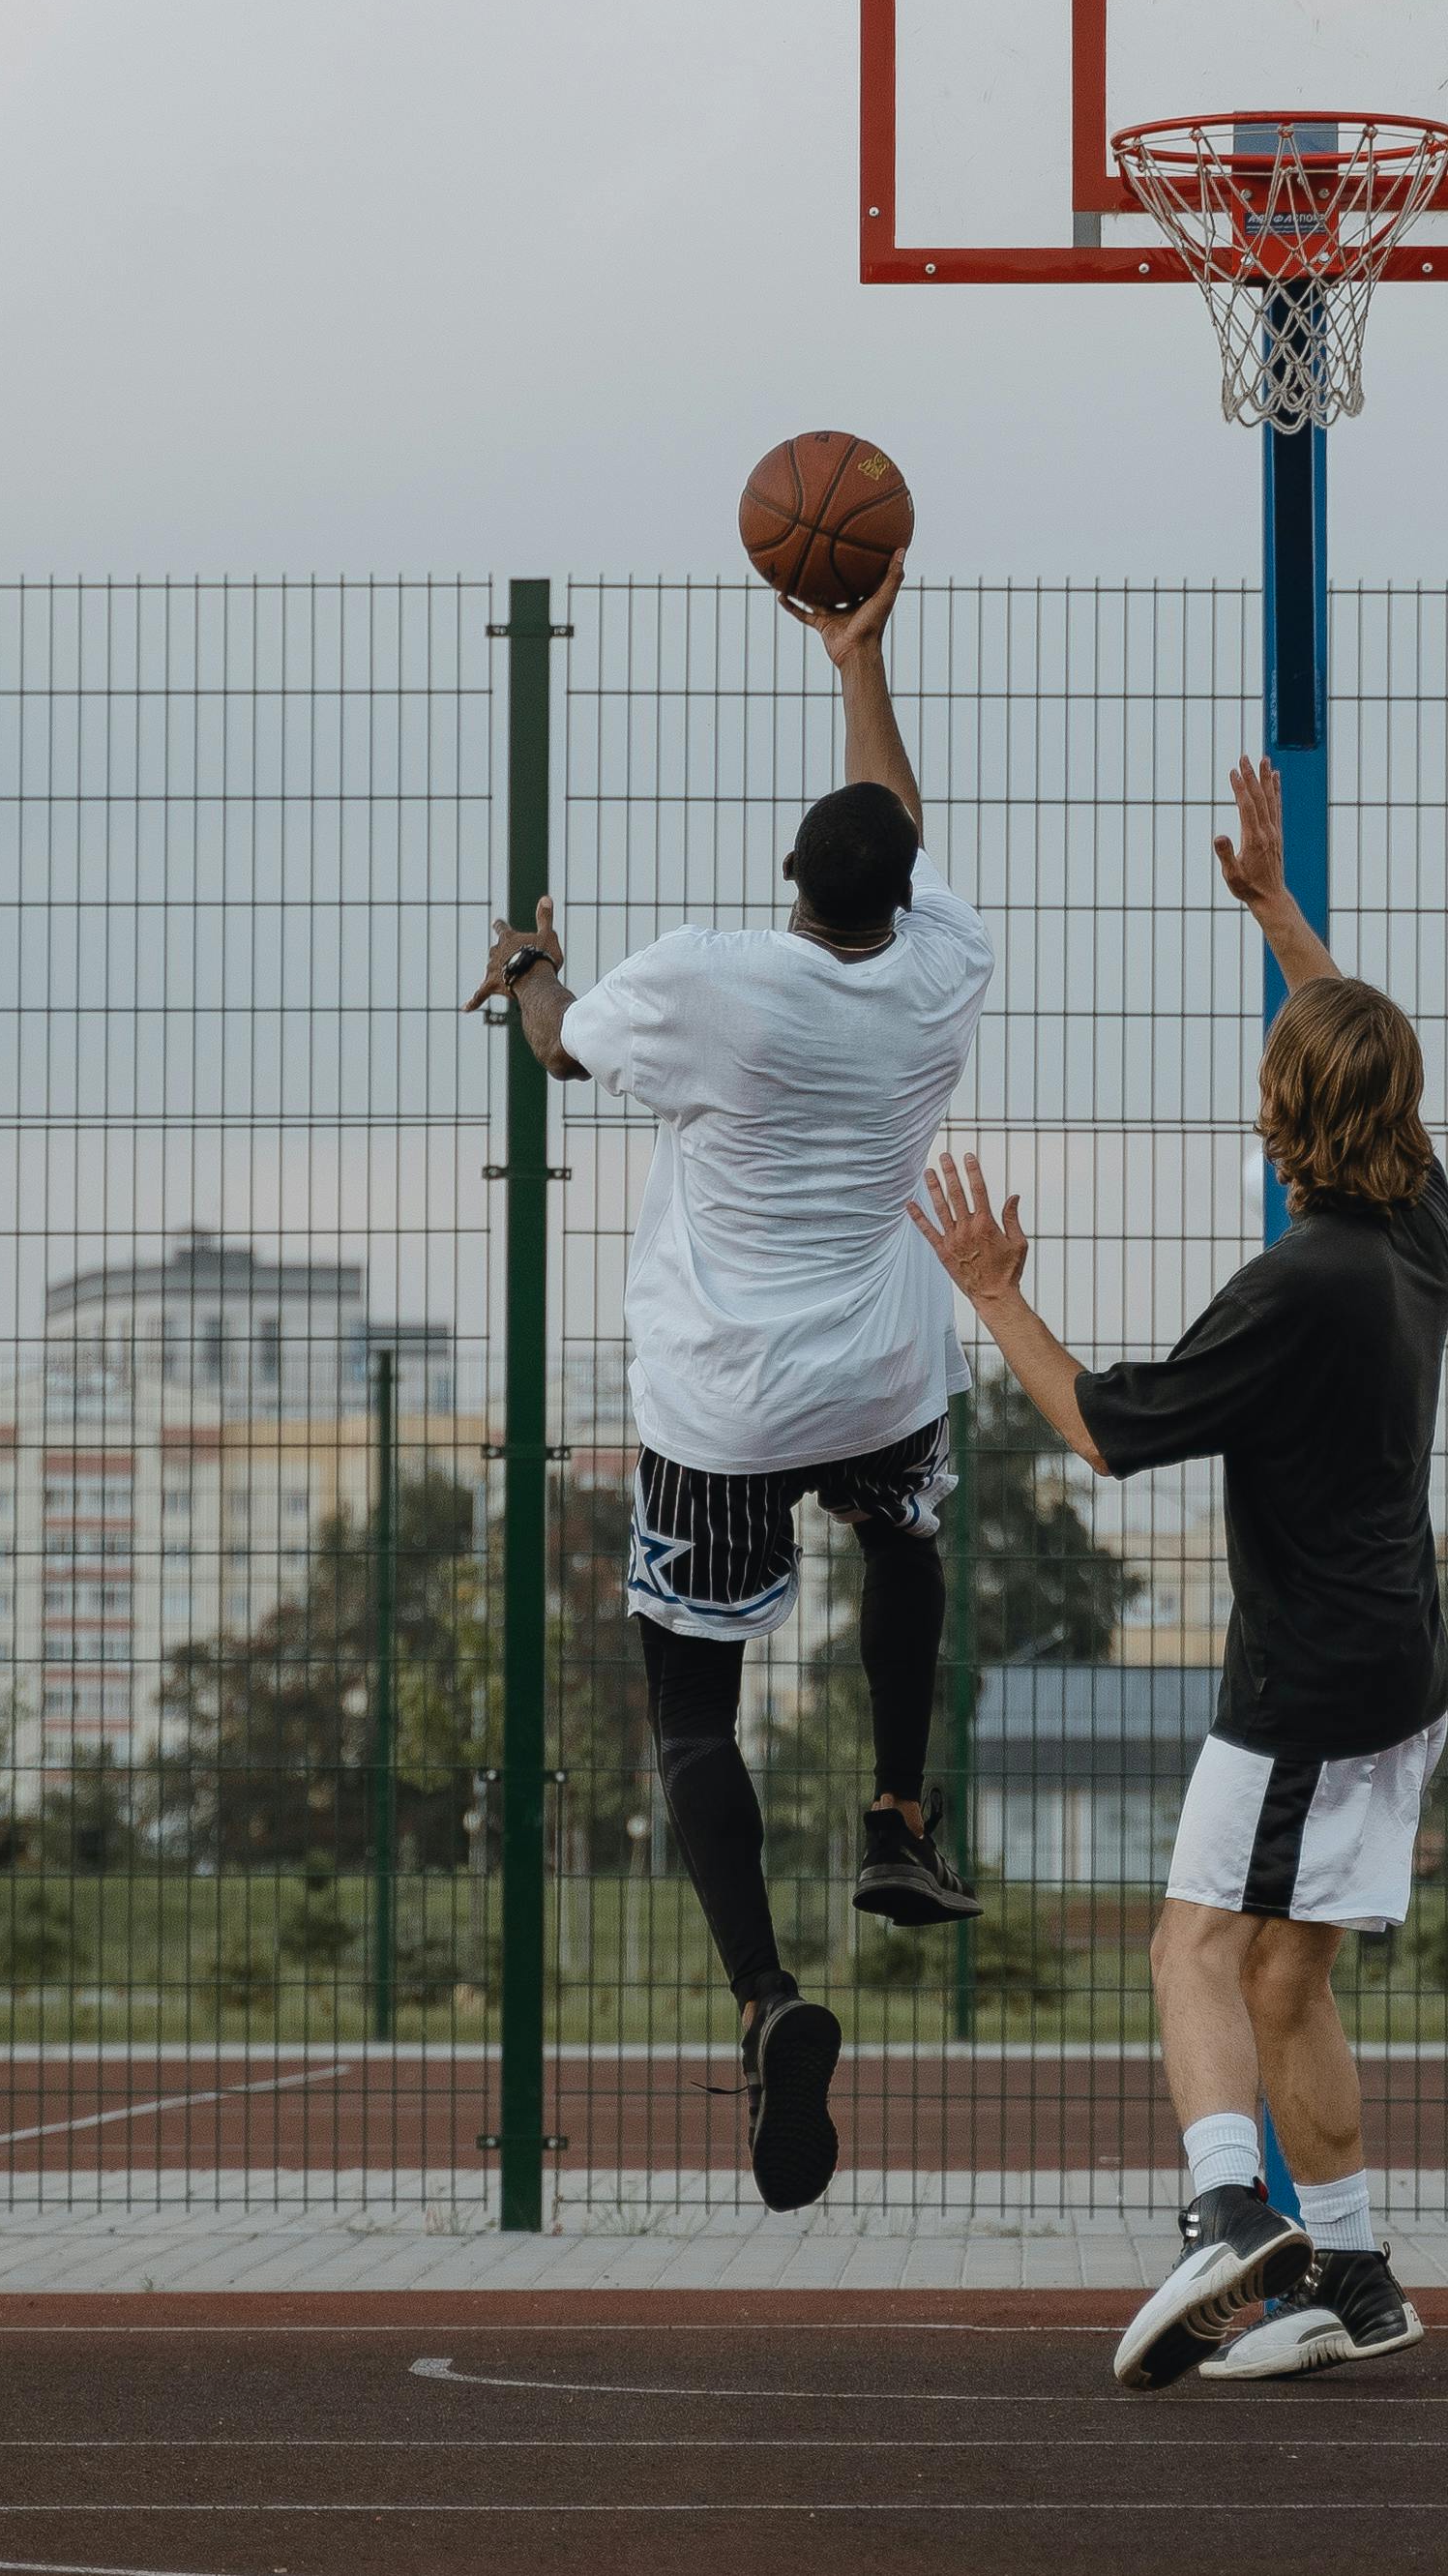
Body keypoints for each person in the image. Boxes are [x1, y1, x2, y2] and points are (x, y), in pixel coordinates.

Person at [907, 755, 1448, 2386]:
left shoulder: (1292, 1289)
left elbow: (1101, 1430)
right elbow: (1353, 1036)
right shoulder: (1417, 1225)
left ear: (1280, 1111)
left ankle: (1224, 2220)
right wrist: (1281, 916)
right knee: (1287, 1972)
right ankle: (1353, 2281)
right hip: (1401, 1666)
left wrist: (993, 1290)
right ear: (1398, 1116)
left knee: (1190, 1946)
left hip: (1309, 1681)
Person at [469, 550, 993, 2211]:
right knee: (907, 1543)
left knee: (693, 1705)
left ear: (789, 873)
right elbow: (888, 818)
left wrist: (532, 968)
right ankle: (902, 1812)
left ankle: (767, 1996)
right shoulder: (943, 973)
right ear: (901, 899)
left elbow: (559, 1045)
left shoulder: (706, 979)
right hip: (885, 1371)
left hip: (722, 1401)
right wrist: (864, 662)